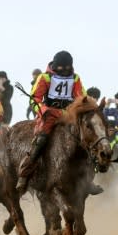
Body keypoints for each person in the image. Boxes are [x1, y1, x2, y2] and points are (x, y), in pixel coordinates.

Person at [16, 50, 86, 193]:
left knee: (86, 136)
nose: (64, 70)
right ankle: (25, 174)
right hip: (49, 114)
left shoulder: (76, 78)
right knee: (41, 140)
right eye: (61, 67)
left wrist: (82, 109)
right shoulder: (45, 77)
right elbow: (34, 98)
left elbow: (81, 97)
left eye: (67, 67)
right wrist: (42, 110)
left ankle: (87, 177)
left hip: (69, 115)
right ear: (55, 65)